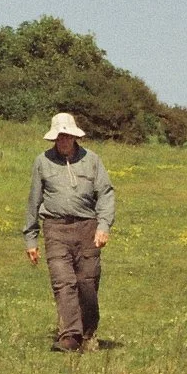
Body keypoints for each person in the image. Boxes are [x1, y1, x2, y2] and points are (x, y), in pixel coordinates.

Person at [23, 111, 116, 353]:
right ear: (54, 139)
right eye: (59, 137)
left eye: (67, 136)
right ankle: (70, 336)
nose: (63, 141)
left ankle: (88, 332)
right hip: (55, 228)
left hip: (87, 228)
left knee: (87, 283)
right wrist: (30, 238)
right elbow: (33, 201)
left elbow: (105, 194)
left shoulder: (92, 161)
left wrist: (103, 226)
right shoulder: (42, 162)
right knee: (63, 282)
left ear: (75, 137)